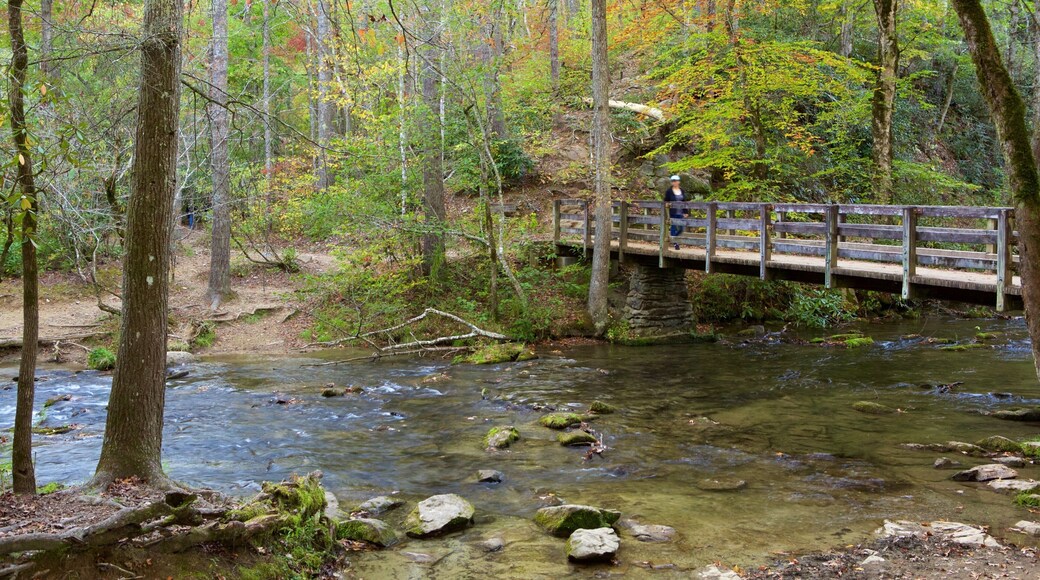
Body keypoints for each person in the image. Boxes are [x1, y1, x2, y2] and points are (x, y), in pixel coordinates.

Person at [663, 175, 687, 250]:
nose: (675, 182)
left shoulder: (682, 190)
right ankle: (676, 243)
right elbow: (665, 201)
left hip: (680, 212)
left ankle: (673, 239)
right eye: (673, 181)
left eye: (676, 181)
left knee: (681, 228)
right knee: (673, 227)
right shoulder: (669, 191)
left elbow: (684, 201)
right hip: (672, 212)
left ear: (679, 182)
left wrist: (685, 211)